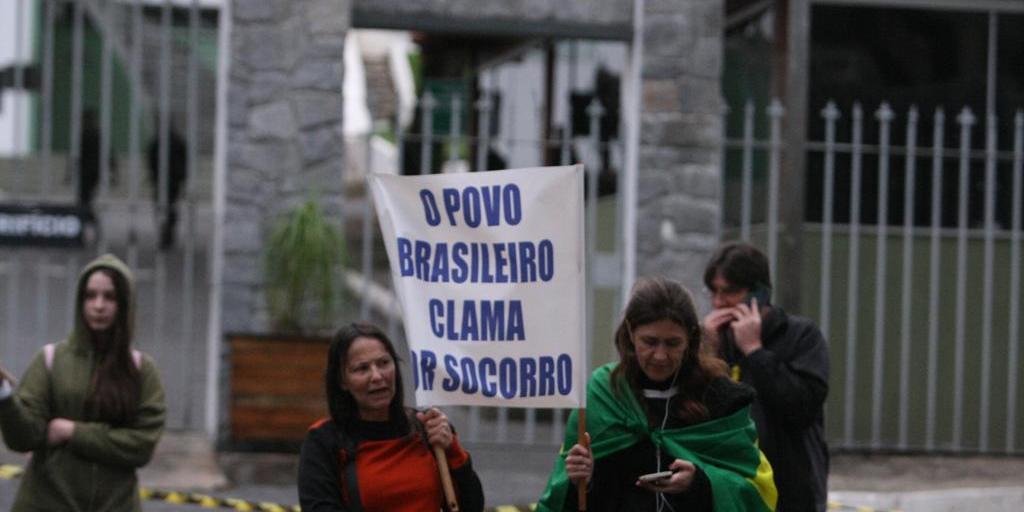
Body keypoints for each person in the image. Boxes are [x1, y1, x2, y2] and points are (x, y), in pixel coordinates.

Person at [537, 276, 776, 512]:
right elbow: (567, 499)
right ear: (630, 333)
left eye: (672, 343)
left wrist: (699, 484)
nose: (660, 356)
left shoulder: (722, 400)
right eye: (649, 342)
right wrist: (584, 480)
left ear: (691, 338)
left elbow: (754, 490)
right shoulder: (604, 395)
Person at [0, 253, 167, 512]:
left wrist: (71, 432)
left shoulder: (141, 370)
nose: (98, 305)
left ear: (125, 304)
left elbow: (140, 446)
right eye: (90, 296)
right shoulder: (50, 360)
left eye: (109, 297)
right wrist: (4, 395)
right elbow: (23, 438)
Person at [298, 322, 485, 512]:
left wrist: (453, 449)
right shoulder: (324, 440)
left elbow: (472, 506)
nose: (377, 376)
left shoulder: (429, 428)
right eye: (362, 369)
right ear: (342, 381)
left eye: (383, 363)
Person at [702, 241, 830, 512]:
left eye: (730, 292)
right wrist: (704, 351)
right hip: (732, 485)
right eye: (713, 292)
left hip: (792, 490)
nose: (718, 303)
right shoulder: (716, 341)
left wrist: (754, 351)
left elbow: (802, 407)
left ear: (759, 293)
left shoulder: (802, 336)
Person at [146, 123, 188, 250]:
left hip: (164, 180)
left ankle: (166, 231)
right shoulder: (175, 140)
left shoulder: (159, 141)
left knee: (163, 207)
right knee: (169, 207)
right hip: (171, 179)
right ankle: (167, 231)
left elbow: (150, 159)